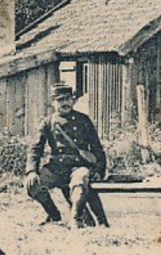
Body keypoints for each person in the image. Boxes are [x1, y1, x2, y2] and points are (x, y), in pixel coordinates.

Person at [26, 83, 108, 228]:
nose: (65, 103)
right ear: (53, 102)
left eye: (68, 99)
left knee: (80, 181)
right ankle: (54, 215)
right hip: (57, 167)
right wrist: (32, 171)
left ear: (73, 100)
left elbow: (97, 148)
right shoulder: (47, 123)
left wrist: (99, 170)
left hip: (79, 165)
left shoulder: (83, 120)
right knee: (33, 186)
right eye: (60, 99)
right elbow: (35, 149)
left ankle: (75, 219)